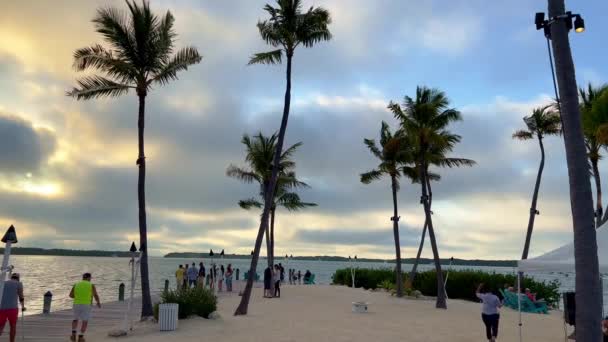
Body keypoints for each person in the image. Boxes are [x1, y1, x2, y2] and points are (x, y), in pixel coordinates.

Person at [70, 273, 101, 342]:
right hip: (86, 305)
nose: (90, 279)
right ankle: (81, 337)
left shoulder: (76, 284)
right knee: (85, 321)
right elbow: (95, 295)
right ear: (89, 278)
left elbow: (71, 295)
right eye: (90, 278)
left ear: (83, 278)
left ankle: (73, 334)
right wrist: (98, 302)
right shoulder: (91, 285)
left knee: (75, 319)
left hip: (76, 304)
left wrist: (79, 296)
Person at [0, 273, 25, 342]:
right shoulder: (19, 284)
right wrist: (23, 306)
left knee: (1, 326)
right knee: (13, 326)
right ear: (18, 278)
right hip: (13, 308)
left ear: (11, 277)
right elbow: (21, 296)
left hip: (2, 308)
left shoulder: (3, 283)